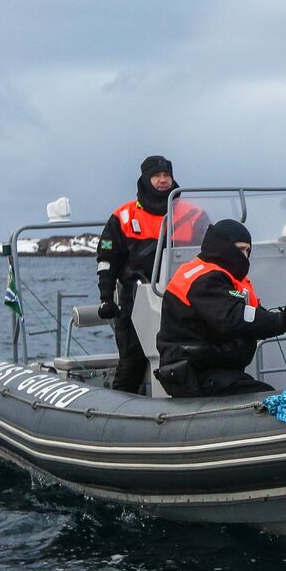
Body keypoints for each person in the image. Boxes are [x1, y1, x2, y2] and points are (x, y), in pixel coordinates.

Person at [156, 219, 286, 397]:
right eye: (240, 248)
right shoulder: (204, 279)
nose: (245, 255)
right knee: (267, 399)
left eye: (248, 250)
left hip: (217, 370)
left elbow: (253, 318)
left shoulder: (226, 277)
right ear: (223, 246)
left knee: (265, 396)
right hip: (195, 373)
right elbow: (234, 318)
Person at [95, 155, 208, 393]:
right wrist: (106, 297)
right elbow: (107, 261)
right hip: (135, 299)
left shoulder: (193, 215)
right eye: (157, 176)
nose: (163, 180)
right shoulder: (124, 217)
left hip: (185, 299)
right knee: (132, 360)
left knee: (190, 355)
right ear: (146, 179)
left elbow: (213, 253)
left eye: (166, 175)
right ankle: (119, 412)